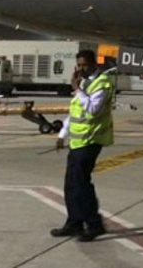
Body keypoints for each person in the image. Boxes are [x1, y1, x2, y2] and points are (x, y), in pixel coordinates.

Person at [50, 50, 114, 242]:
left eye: (84, 65)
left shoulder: (102, 83)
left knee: (81, 183)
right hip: (77, 141)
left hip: (91, 140)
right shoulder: (85, 82)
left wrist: (77, 89)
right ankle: (74, 222)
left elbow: (93, 110)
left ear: (94, 64)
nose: (80, 69)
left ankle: (94, 224)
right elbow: (75, 111)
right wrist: (62, 134)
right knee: (71, 183)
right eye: (79, 65)